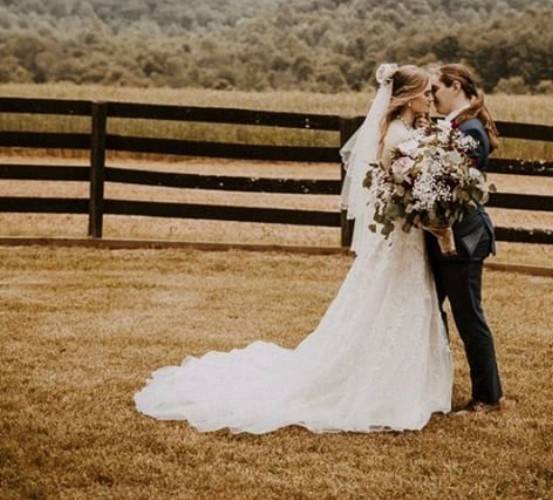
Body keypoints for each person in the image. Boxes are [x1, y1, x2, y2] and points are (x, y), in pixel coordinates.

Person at [133, 64, 453, 434]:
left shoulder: (411, 131)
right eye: (425, 92)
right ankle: (383, 386)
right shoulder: (398, 136)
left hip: (404, 240)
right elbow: (406, 191)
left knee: (403, 302)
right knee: (387, 303)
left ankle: (405, 381)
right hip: (400, 241)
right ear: (409, 96)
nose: (429, 98)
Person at [427, 63, 505, 413]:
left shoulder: (470, 130)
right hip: (447, 236)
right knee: (432, 309)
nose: (431, 98)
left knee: (469, 316)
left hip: (464, 238)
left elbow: (456, 188)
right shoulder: (457, 125)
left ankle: (488, 396)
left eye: (436, 90)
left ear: (456, 86)